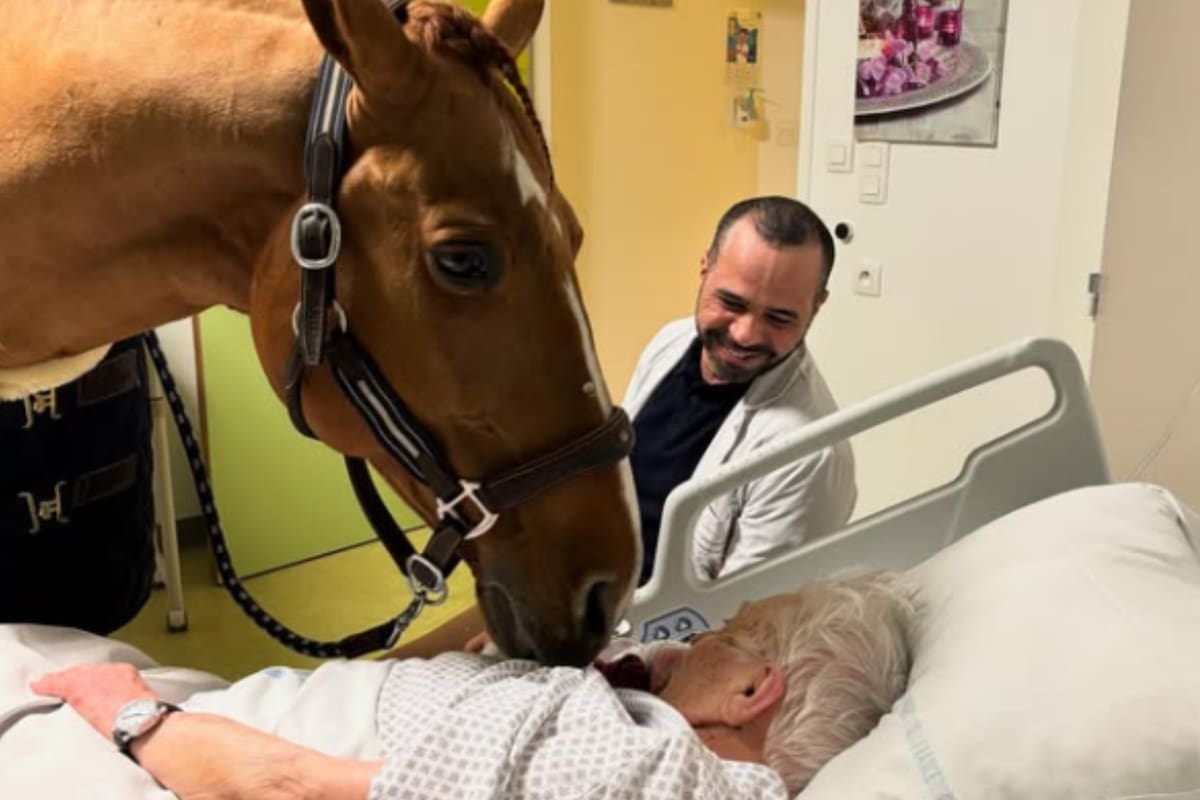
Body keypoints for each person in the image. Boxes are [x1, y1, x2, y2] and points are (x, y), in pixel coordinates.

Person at [18, 570, 915, 799]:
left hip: (182, 756)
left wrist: (130, 712)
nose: (698, 637)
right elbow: (408, 681)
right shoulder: (639, 725)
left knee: (28, 651)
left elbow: (292, 789)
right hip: (252, 714)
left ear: (755, 691)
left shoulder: (649, 773)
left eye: (729, 632)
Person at [626, 196, 857, 586]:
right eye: (731, 302)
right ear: (705, 267)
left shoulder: (807, 453)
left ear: (818, 306)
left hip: (651, 639)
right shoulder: (671, 341)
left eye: (780, 317)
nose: (745, 334)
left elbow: (739, 620)